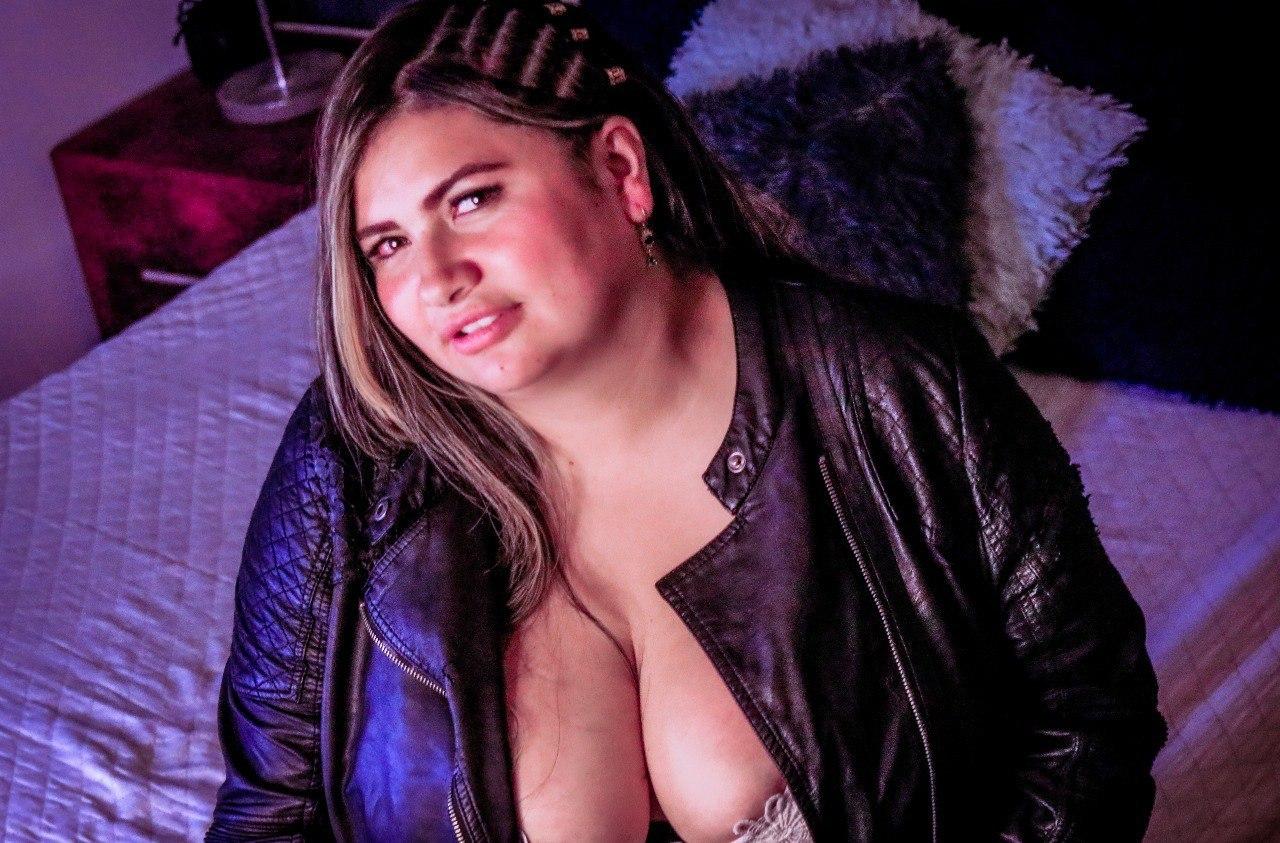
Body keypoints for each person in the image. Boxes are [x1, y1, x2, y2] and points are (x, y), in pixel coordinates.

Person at [206, 1, 1167, 840]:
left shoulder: (901, 387)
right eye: (387, 244)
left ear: (621, 168)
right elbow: (271, 809)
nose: (435, 278)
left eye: (472, 199)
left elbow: (1088, 722)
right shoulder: (353, 457)